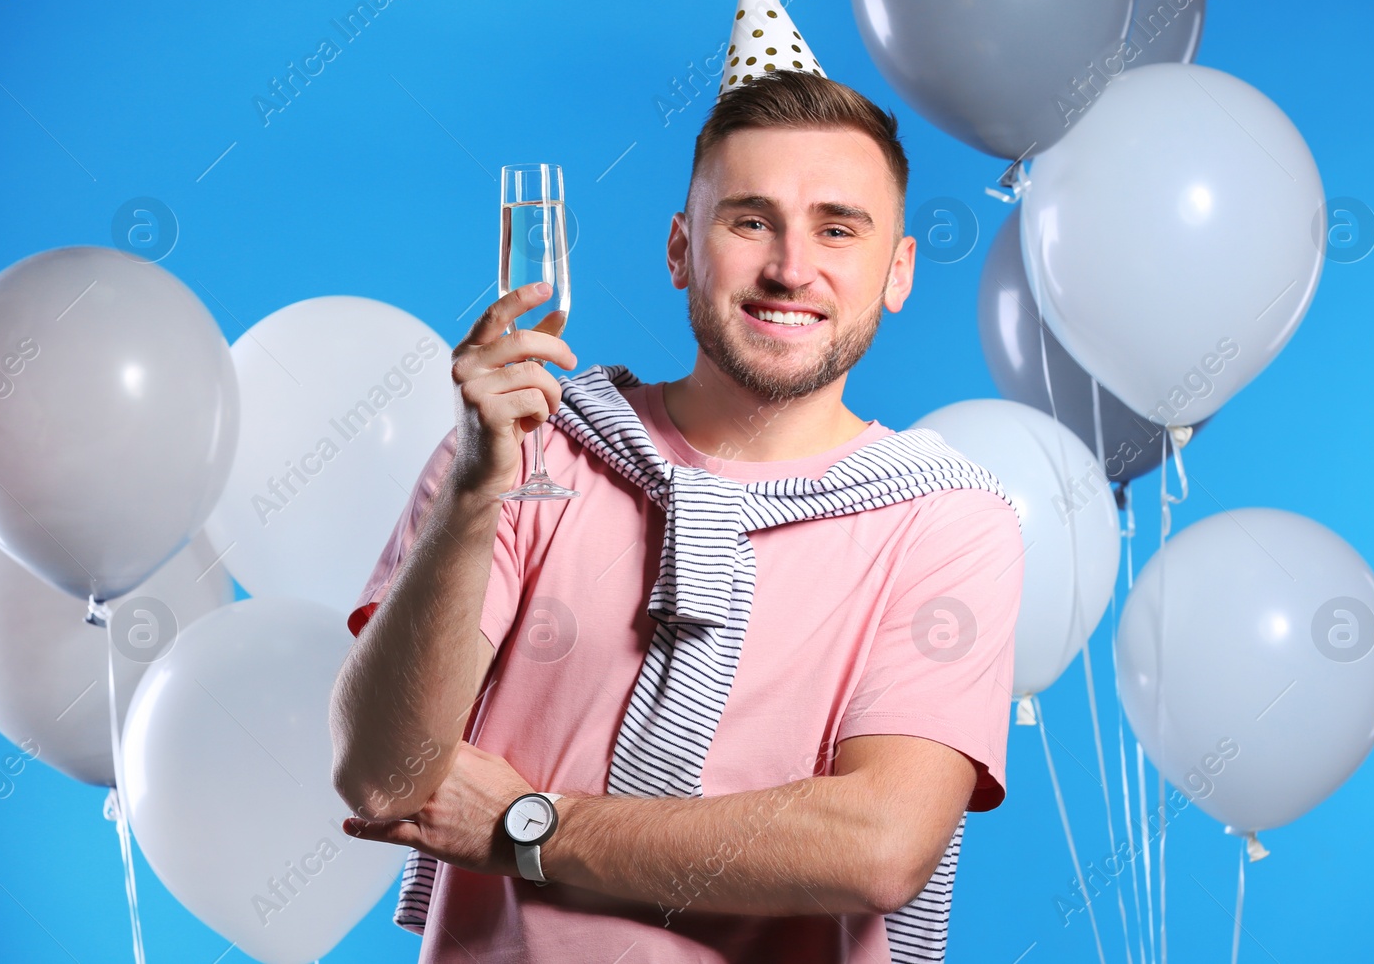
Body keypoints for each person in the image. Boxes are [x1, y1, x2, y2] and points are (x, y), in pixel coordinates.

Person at [329, 58, 1024, 961]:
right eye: (750, 220)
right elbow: (384, 779)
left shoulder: (947, 521)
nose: (790, 267)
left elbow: (878, 844)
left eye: (837, 228)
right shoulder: (527, 446)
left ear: (896, 273)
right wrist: (473, 491)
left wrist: (525, 825)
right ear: (680, 250)